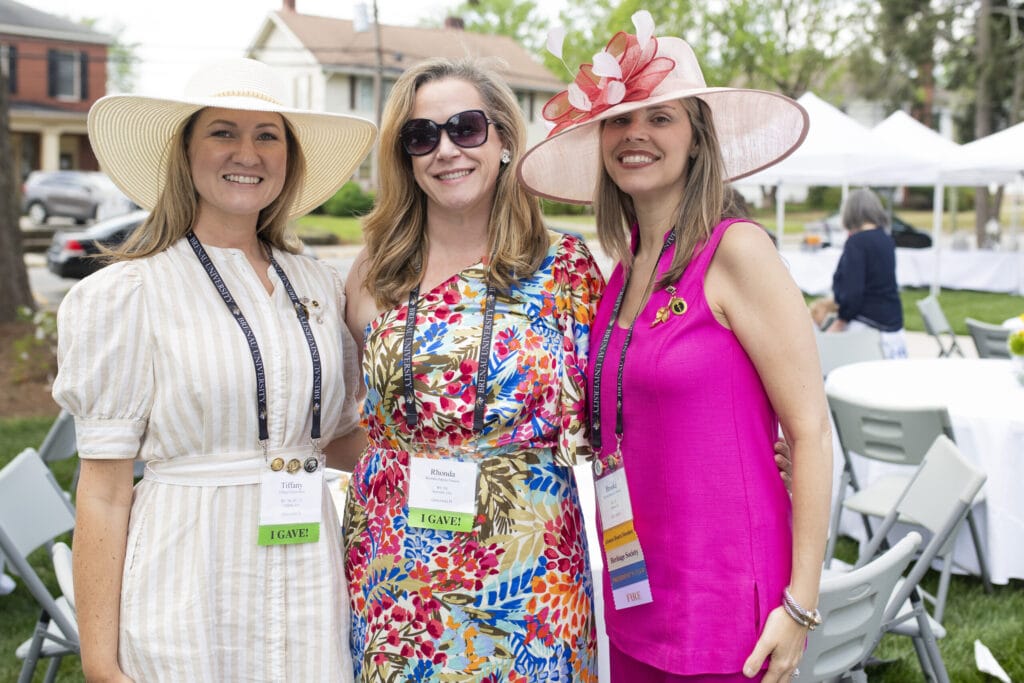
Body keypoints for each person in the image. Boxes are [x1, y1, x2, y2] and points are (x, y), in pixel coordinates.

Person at [518, 12, 832, 682]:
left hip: (727, 609)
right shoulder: (623, 269)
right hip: (635, 592)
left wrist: (800, 603)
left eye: (660, 118)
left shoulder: (737, 250)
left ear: (696, 139)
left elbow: (810, 431)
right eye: (619, 120)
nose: (636, 134)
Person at [52, 58, 376, 681]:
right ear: (187, 152)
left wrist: (442, 447)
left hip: (309, 572)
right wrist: (99, 660)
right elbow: (104, 489)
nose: (247, 153)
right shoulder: (133, 292)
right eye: (223, 132)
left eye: (267, 135)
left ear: (289, 158)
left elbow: (335, 437)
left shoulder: (316, 285)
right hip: (188, 579)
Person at [342, 57, 602, 681]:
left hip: (531, 580)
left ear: (505, 139)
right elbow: (342, 415)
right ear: (404, 157)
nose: (446, 150)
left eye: (465, 127)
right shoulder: (375, 272)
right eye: (421, 136)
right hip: (397, 581)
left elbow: (635, 395)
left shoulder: (566, 268)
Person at [822, 189, 908, 358]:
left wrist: (842, 320)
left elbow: (852, 289)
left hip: (867, 326)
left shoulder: (857, 242)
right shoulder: (885, 238)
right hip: (892, 321)